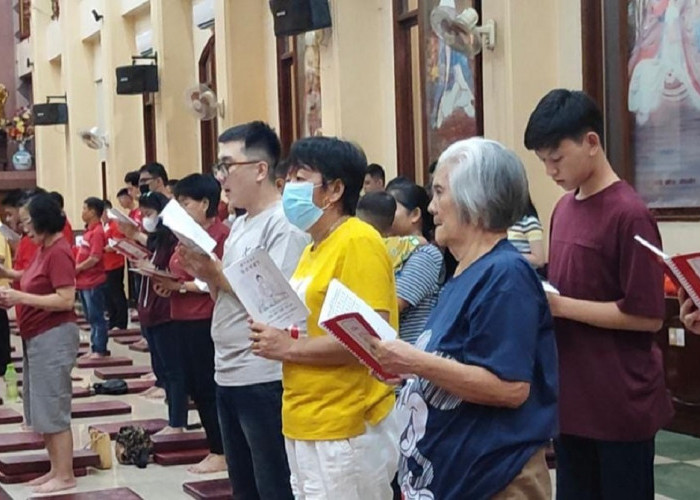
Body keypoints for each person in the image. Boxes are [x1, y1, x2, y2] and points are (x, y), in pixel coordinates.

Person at [371, 137, 558, 499]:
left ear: (476, 200)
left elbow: (510, 388)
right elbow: (453, 362)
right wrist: (404, 368)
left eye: (439, 192)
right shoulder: (465, 270)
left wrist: (415, 361)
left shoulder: (506, 275)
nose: (430, 207)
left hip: (494, 479)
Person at [524, 89, 672, 499]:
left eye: (557, 158)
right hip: (574, 396)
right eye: (543, 162)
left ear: (591, 143)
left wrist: (561, 305)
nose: (551, 171)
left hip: (619, 399)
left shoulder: (630, 212)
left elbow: (648, 316)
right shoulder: (563, 209)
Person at [250, 136, 400, 500]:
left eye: (301, 179)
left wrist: (288, 347)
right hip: (305, 413)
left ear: (334, 190)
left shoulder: (357, 240)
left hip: (345, 419)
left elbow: (369, 340)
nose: (290, 189)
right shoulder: (313, 248)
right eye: (289, 180)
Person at [178, 121, 307, 499]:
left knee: (273, 484)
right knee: (244, 485)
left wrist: (215, 272)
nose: (221, 178)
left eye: (227, 166)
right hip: (229, 368)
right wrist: (208, 274)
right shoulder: (239, 225)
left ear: (260, 169)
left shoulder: (284, 223)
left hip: (264, 372)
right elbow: (229, 296)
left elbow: (276, 301)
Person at [0, 193, 80, 494]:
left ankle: (66, 474)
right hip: (37, 335)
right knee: (41, 407)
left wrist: (19, 297)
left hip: (54, 335)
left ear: (45, 218)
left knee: (53, 404)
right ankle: (55, 469)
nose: (23, 228)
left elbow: (65, 298)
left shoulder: (59, 250)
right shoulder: (42, 248)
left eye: (28, 222)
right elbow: (32, 277)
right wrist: (10, 275)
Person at [150, 173, 229, 474]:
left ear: (205, 203)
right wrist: (167, 285)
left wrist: (181, 288)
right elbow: (181, 273)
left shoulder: (221, 235)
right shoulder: (184, 235)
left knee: (208, 385)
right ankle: (216, 446)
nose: (181, 208)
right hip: (180, 316)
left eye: (186, 202)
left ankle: (220, 450)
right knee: (195, 385)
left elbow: (219, 279)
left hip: (204, 317)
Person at [386, 178, 444, 346]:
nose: (383, 213)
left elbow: (393, 305)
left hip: (412, 353)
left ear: (415, 214)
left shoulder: (426, 254)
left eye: (391, 208)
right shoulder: (388, 249)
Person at [76, 197, 108, 358]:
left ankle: (100, 348)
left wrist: (78, 268)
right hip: (83, 281)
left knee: (97, 316)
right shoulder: (89, 231)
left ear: (93, 212)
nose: (82, 212)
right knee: (90, 316)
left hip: (93, 281)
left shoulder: (97, 232)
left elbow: (95, 258)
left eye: (84, 209)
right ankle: (94, 346)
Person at [101, 200, 128, 330]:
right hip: (105, 265)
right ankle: (112, 321)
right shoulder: (104, 225)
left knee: (117, 294)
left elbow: (117, 243)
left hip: (115, 264)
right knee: (108, 295)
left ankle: (121, 322)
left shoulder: (115, 225)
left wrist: (102, 248)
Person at [507, 195, 546, 269]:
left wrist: (511, 255)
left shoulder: (530, 222)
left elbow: (539, 260)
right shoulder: (504, 224)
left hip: (523, 274)